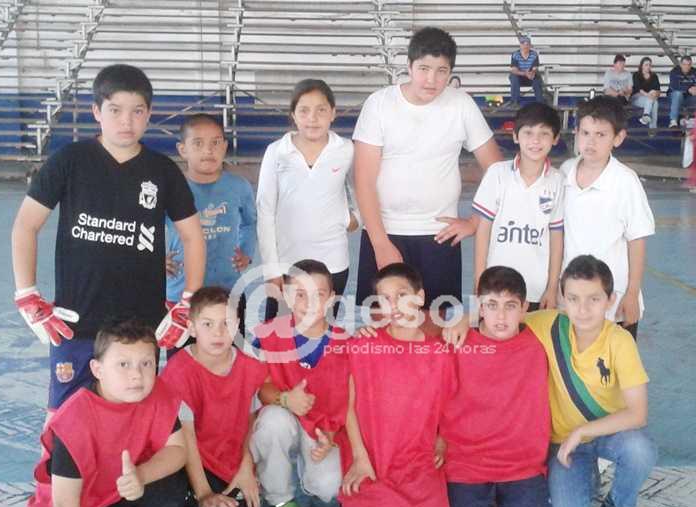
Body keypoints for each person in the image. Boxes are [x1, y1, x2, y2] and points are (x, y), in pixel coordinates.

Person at [10, 63, 205, 507]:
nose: (126, 121)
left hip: (140, 331)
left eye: (137, 111)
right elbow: (26, 225)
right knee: (61, 425)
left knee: (142, 423)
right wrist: (26, 293)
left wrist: (188, 300)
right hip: (76, 327)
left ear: (149, 115)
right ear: (96, 111)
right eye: (115, 110)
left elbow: (192, 236)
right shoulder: (70, 160)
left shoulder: (161, 171)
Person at [22, 319, 189, 507]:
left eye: (146, 363)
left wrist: (142, 475)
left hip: (123, 487)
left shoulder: (156, 392)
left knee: (173, 486)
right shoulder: (75, 419)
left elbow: (178, 450)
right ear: (97, 370)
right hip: (78, 503)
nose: (137, 375)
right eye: (123, 364)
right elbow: (64, 504)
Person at [353, 27, 501, 311]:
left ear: (450, 73)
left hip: (439, 234)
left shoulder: (461, 105)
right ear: (409, 66)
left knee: (436, 324)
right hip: (385, 231)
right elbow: (363, 180)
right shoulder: (379, 104)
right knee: (384, 324)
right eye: (423, 69)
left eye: (441, 71)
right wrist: (380, 243)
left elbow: (497, 171)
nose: (431, 80)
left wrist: (474, 222)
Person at [523, 256, 657, 507]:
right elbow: (499, 318)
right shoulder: (548, 325)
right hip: (565, 443)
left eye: (593, 299)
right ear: (562, 299)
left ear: (610, 300)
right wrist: (461, 319)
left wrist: (581, 432)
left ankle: (619, 506)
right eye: (573, 299)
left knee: (640, 449)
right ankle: (588, 474)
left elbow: (638, 414)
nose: (582, 310)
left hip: (608, 434)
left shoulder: (620, 341)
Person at [339, 263, 455, 507]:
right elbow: (348, 407)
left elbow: (449, 407)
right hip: (372, 463)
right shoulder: (364, 346)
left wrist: (442, 441)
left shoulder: (440, 354)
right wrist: (360, 458)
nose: (394, 306)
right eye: (385, 299)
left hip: (416, 468)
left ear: (420, 296)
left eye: (402, 295)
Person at [443, 266, 552, 507]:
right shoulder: (459, 342)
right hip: (468, 460)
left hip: (520, 462)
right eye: (491, 305)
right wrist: (463, 319)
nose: (501, 317)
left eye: (510, 306)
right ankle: (487, 496)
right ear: (480, 307)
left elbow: (576, 315)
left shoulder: (539, 341)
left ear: (525, 308)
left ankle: (505, 498)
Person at [157, 287, 268, 507]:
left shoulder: (250, 365)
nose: (218, 333)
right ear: (192, 327)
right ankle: (187, 506)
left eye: (226, 323)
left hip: (226, 462)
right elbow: (186, 437)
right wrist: (204, 493)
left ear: (237, 325)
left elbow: (250, 420)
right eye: (208, 324)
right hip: (185, 460)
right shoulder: (179, 372)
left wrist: (245, 466)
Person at [251, 259, 350, 507]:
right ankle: (278, 495)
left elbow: (347, 404)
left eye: (319, 294)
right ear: (286, 295)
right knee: (273, 421)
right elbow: (262, 389)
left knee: (329, 488)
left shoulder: (345, 344)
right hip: (284, 416)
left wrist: (330, 437)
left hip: (322, 427)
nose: (310, 303)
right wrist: (285, 399)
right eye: (301, 294)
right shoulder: (270, 333)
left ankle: (308, 473)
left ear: (332, 299)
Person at [256, 79, 358, 321]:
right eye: (304, 110)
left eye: (321, 110)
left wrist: (354, 218)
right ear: (293, 115)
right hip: (287, 264)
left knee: (325, 329)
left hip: (333, 261)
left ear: (333, 113)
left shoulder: (346, 150)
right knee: (279, 330)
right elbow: (265, 211)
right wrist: (271, 269)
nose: (312, 118)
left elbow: (362, 189)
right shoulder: (276, 152)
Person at [560, 96, 655, 339]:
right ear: (576, 133)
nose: (590, 142)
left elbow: (637, 240)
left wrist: (632, 293)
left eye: (601, 135)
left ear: (618, 138)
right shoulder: (565, 172)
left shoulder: (625, 181)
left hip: (615, 302)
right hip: (572, 299)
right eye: (585, 133)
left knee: (615, 362)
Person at [166, 113, 256, 333]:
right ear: (182, 149)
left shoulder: (239, 186)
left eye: (215, 143)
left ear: (225, 147)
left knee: (231, 349)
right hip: (180, 291)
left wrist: (247, 252)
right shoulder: (170, 188)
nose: (208, 150)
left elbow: (250, 223)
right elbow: (147, 228)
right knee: (181, 350)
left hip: (228, 288)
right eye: (198, 143)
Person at [472, 102, 565, 311]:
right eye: (528, 133)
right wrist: (479, 283)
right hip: (495, 287)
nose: (535, 140)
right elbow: (483, 232)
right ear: (515, 136)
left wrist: (552, 288)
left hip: (536, 290)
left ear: (555, 138)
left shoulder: (558, 180)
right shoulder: (497, 174)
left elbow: (556, 238)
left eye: (544, 134)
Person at [667, 55, 696, 128]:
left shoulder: (695, 72)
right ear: (680, 64)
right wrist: (688, 89)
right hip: (675, 97)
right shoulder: (674, 72)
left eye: (689, 64)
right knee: (678, 93)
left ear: (691, 64)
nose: (687, 67)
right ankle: (673, 121)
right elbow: (674, 86)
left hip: (689, 97)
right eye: (684, 64)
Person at [509, 35, 544, 106]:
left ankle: (540, 102)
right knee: (514, 77)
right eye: (523, 44)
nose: (525, 46)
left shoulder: (534, 54)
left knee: (537, 78)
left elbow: (535, 68)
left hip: (530, 76)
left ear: (530, 45)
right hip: (520, 76)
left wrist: (532, 73)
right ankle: (515, 102)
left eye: (527, 44)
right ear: (520, 45)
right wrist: (525, 73)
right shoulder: (515, 54)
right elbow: (514, 70)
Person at [631, 57, 661, 128]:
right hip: (637, 97)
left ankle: (648, 121)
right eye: (646, 65)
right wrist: (648, 95)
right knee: (651, 101)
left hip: (650, 98)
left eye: (650, 65)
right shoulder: (636, 75)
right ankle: (649, 121)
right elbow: (639, 89)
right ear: (642, 66)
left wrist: (655, 93)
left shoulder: (654, 76)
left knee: (655, 103)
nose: (648, 67)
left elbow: (658, 91)